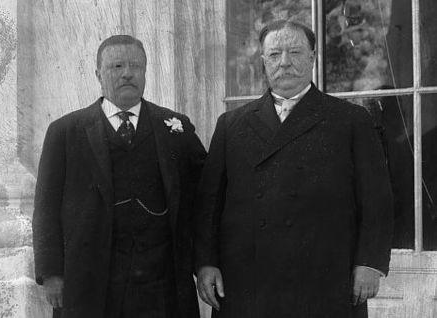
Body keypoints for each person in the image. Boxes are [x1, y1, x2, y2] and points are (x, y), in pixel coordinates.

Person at [194, 20, 393, 318]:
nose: (284, 62)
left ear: (312, 57)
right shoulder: (231, 125)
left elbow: (377, 198)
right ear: (263, 61)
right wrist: (206, 263)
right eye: (274, 55)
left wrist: (369, 263)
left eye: (295, 52)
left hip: (325, 279)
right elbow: (209, 203)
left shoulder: (350, 120)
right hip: (248, 281)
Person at [32, 35, 206, 318]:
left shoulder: (175, 127)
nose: (127, 73)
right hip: (91, 282)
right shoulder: (65, 132)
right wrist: (51, 273)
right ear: (98, 74)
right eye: (116, 66)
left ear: (145, 71)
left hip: (161, 284)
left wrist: (203, 262)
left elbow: (205, 196)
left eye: (135, 66)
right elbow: (45, 208)